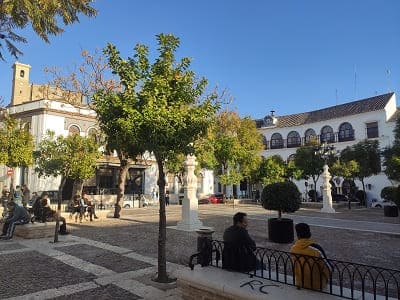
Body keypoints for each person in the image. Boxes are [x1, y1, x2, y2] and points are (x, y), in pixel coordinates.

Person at [290, 223, 332, 290]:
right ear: (309, 233)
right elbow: (328, 268)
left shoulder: (293, 248)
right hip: (317, 284)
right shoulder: (316, 249)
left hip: (301, 282)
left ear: (297, 235)